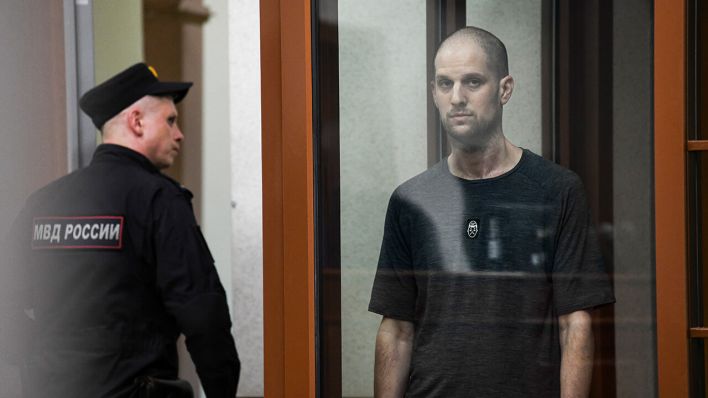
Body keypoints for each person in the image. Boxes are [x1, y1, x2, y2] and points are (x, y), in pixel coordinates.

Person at [368, 27, 614, 397]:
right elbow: (396, 328)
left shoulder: (557, 190)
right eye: (445, 84)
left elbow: (574, 325)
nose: (457, 98)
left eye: (472, 82)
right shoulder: (411, 200)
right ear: (433, 93)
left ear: (505, 89)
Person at [0, 63, 240, 397]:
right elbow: (204, 316)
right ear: (137, 122)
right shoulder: (160, 200)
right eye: (170, 120)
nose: (179, 133)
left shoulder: (44, 202)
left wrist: (46, 361)